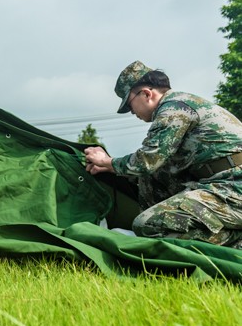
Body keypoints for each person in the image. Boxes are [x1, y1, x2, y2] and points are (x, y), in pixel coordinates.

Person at [84, 60, 242, 247]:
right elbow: (156, 168)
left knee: (147, 225)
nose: (132, 112)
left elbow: (147, 160)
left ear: (146, 94)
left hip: (233, 187)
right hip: (223, 184)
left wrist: (107, 161)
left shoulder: (175, 108)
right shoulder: (179, 104)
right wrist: (113, 168)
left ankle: (236, 243)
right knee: (153, 178)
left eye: (129, 104)